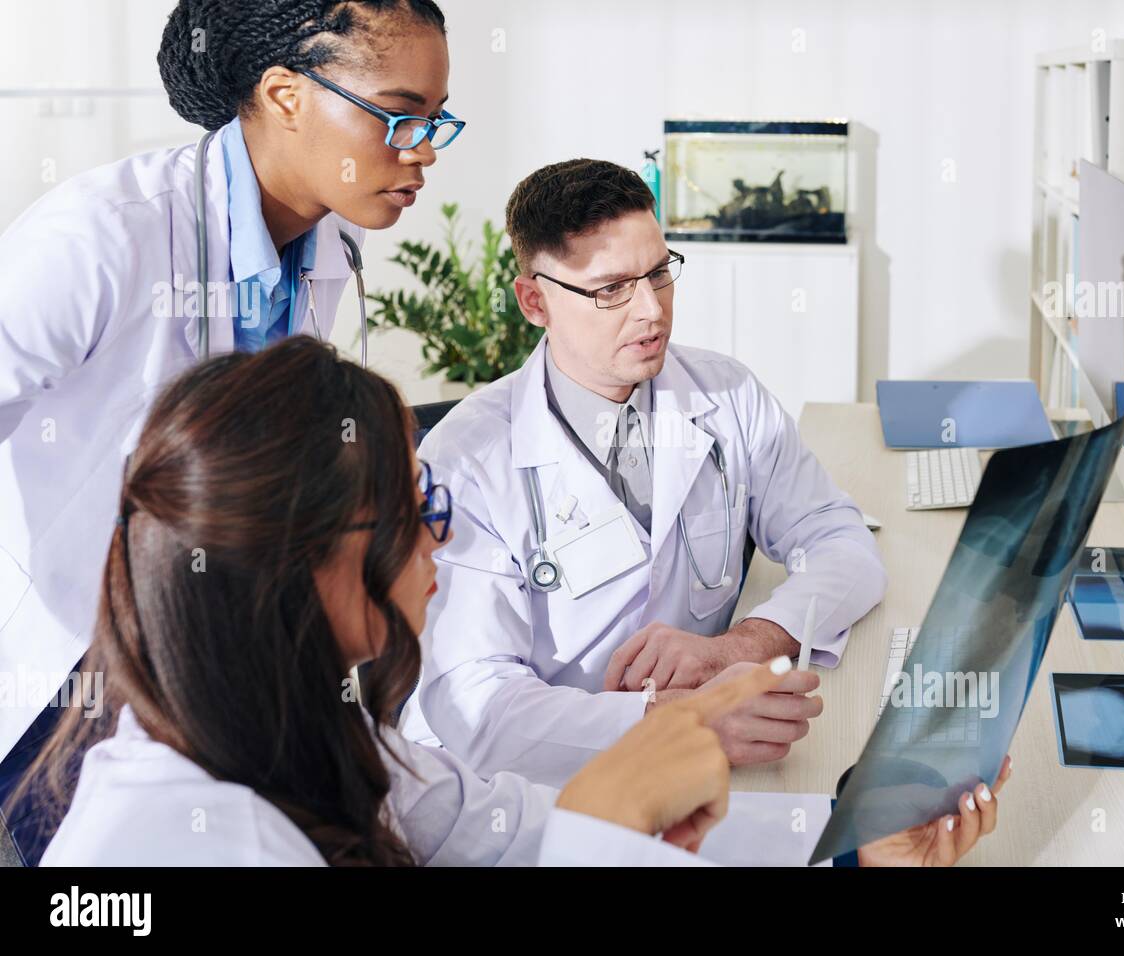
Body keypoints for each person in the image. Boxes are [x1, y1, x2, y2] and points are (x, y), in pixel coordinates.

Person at [16, 339, 1008, 866]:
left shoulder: (324, 739)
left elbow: (506, 832)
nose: (440, 536)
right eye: (420, 506)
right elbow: (528, 777)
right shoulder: (179, 842)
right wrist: (608, 813)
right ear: (318, 564)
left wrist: (846, 841)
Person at [0, 0, 459, 864]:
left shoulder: (323, 253)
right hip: (74, 673)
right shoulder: (101, 240)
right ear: (284, 93)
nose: (423, 150)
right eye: (399, 115)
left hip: (224, 660)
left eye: (435, 121)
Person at [402, 159, 889, 786]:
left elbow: (842, 543)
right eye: (611, 290)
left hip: (697, 771)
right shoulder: (465, 462)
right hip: (528, 791)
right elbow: (477, 708)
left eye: (659, 273)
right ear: (533, 301)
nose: (651, 312)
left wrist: (740, 645)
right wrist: (674, 722)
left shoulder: (726, 394)